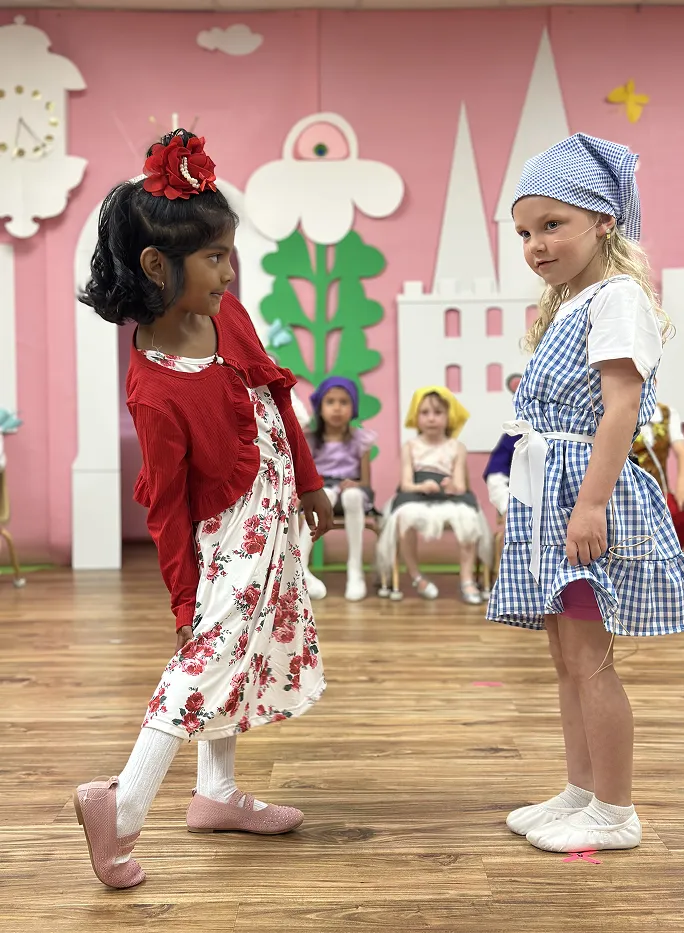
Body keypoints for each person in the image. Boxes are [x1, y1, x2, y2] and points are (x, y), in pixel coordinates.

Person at [73, 129, 333, 889]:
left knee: (241, 657)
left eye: (229, 253)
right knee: (206, 658)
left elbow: (276, 397)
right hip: (228, 537)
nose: (229, 270)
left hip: (274, 515)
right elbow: (164, 506)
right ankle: (121, 805)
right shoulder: (154, 387)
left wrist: (309, 481)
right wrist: (185, 600)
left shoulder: (231, 318)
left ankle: (216, 792)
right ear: (159, 266)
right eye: (215, 257)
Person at [488, 134, 684, 854]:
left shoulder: (617, 299)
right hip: (551, 492)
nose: (537, 245)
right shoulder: (573, 302)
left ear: (604, 221)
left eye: (553, 224)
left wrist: (590, 505)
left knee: (590, 658)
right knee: (565, 657)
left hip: (583, 490)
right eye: (525, 232)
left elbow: (620, 410)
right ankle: (581, 790)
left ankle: (615, 808)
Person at [377, 386, 491, 604]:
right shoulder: (410, 446)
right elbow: (406, 483)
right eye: (425, 413)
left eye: (438, 413)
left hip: (448, 497)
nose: (431, 418)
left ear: (449, 417)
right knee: (404, 517)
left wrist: (451, 485)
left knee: (468, 518)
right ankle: (416, 576)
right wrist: (422, 486)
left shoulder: (457, 447)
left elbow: (460, 485)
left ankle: (467, 578)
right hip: (417, 495)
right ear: (416, 417)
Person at [300, 376, 377, 602]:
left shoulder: (360, 439)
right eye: (330, 402)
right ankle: (301, 566)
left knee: (352, 495)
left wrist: (356, 484)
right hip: (322, 492)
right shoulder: (311, 440)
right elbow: (306, 476)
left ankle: (355, 569)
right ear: (320, 407)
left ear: (353, 407)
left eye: (344, 402)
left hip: (352, 494)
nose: (337, 408)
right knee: (326, 493)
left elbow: (366, 482)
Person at [632, 400, 684, 547]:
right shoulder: (617, 411)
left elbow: (682, 452)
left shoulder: (666, 414)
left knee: (682, 513)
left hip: (658, 492)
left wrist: (683, 488)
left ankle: (672, 553)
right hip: (628, 492)